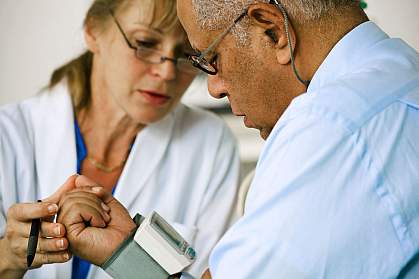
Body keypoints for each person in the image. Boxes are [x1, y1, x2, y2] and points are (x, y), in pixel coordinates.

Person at [54, 0, 419, 278]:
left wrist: (127, 259)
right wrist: (127, 250)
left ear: (273, 31)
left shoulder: (330, 125)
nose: (213, 88)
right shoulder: (402, 74)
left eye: (211, 59)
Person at [0, 0, 240, 278]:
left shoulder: (210, 145)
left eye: (187, 53)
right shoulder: (8, 136)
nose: (167, 72)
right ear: (93, 32)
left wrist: (132, 260)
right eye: (145, 43)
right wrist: (9, 256)